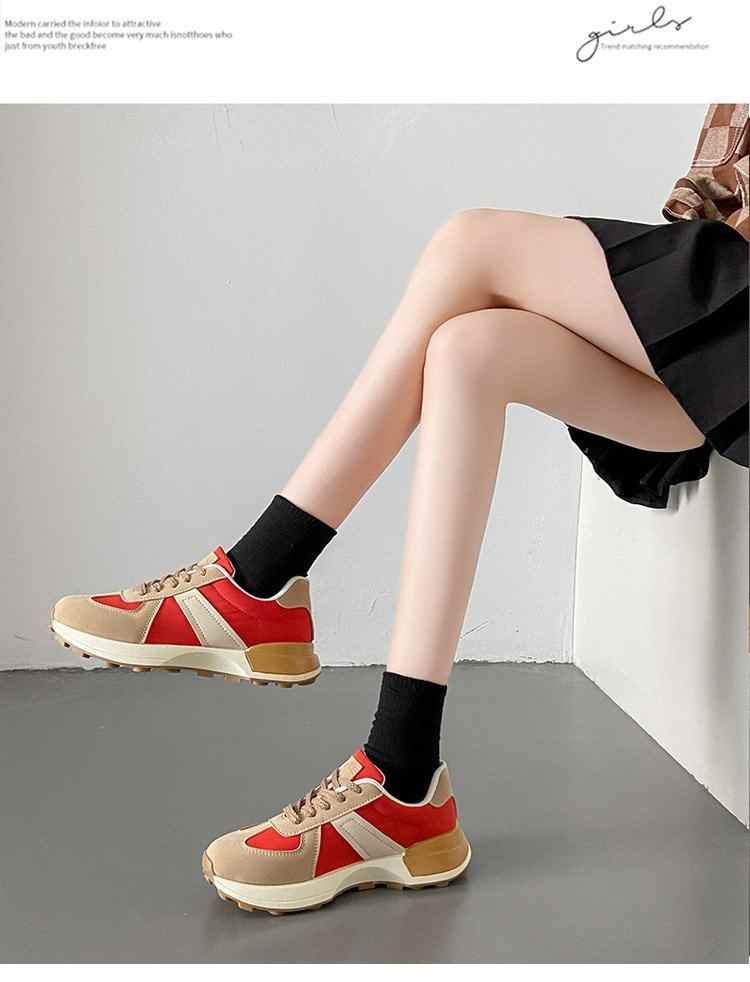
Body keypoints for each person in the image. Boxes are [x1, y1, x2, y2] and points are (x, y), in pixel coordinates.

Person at [51, 104, 748, 914]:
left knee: (472, 241)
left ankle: (260, 580)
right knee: (468, 350)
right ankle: (403, 780)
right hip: (717, 352)